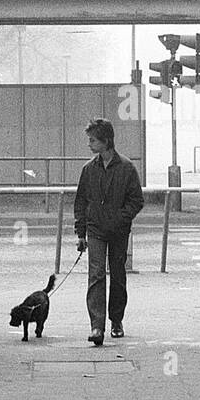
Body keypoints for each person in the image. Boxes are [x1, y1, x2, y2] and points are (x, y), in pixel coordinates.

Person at [75, 118, 144, 345]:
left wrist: (120, 219)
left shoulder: (126, 168)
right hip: (95, 230)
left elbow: (136, 200)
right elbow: (81, 202)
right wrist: (81, 233)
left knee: (117, 276)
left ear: (105, 141)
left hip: (118, 231)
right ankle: (97, 326)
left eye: (92, 140)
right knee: (95, 276)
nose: (89, 144)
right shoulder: (89, 169)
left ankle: (116, 320)